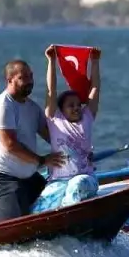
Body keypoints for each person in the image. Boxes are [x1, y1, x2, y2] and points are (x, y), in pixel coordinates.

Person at [0, 60, 64, 223]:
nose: (29, 81)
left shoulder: (33, 108)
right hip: (3, 175)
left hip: (28, 176)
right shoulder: (4, 106)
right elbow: (10, 145)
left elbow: (52, 136)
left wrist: (77, 149)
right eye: (23, 77)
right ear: (10, 80)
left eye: (31, 76)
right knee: (11, 219)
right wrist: (42, 160)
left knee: (59, 199)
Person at [44, 45, 102, 180]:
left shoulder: (87, 116)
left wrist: (95, 61)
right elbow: (51, 91)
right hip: (59, 180)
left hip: (85, 178)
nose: (76, 108)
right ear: (61, 109)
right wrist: (51, 61)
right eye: (70, 105)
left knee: (78, 187)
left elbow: (95, 89)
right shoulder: (55, 119)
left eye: (78, 104)